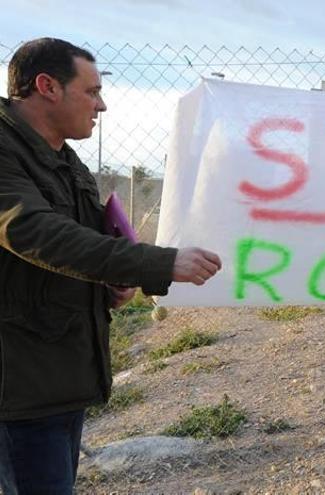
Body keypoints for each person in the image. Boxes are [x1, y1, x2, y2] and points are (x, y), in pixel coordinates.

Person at [0, 38, 221, 494]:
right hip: (17, 390)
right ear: (47, 87)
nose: (102, 106)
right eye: (92, 91)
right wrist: (157, 264)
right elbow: (35, 234)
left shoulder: (64, 158)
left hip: (56, 376)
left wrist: (109, 284)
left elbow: (78, 248)